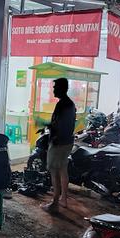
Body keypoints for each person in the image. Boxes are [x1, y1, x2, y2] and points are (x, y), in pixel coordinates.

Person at [40, 78, 76, 213]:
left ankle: (54, 203)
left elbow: (58, 124)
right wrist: (47, 126)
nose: (53, 90)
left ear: (61, 88)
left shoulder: (62, 104)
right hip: (67, 142)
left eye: (55, 87)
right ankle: (63, 199)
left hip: (58, 143)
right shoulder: (70, 104)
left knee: (54, 172)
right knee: (63, 170)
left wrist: (49, 128)